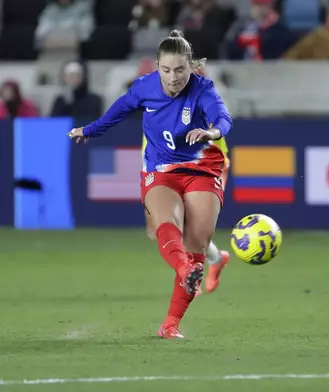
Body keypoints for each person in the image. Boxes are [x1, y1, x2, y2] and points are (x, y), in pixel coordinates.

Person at [68, 30, 233, 340]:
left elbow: (223, 118)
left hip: (202, 168)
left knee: (196, 243)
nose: (173, 77)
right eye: (166, 70)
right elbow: (116, 112)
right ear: (157, 66)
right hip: (161, 168)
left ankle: (170, 324)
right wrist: (89, 130)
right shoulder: (144, 87)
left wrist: (212, 133)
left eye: (180, 70)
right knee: (164, 223)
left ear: (191, 67)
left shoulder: (203, 90)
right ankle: (186, 270)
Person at [142, 133, 230, 296]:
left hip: (202, 169)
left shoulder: (197, 110)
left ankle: (190, 277)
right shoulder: (152, 111)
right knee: (156, 231)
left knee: (184, 225)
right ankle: (216, 258)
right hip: (159, 168)